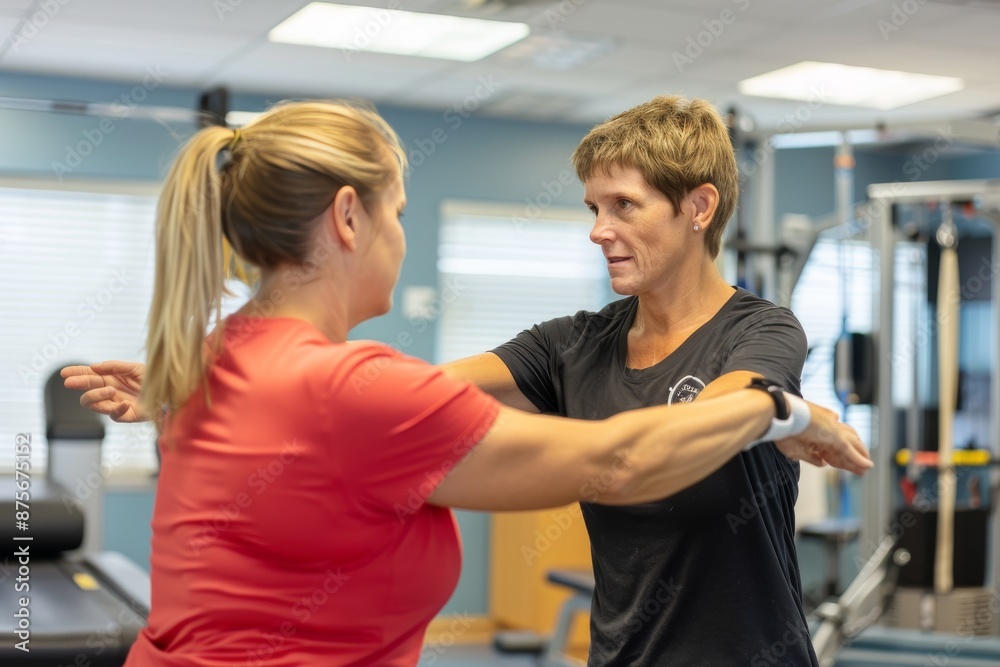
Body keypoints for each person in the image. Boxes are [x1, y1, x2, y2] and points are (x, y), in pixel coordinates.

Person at [62, 99, 870, 667]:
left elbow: (397, 402)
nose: (600, 230)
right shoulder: (568, 344)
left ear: (699, 208)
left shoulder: (228, 355)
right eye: (402, 212)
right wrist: (785, 411)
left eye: (624, 205)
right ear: (349, 218)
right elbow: (620, 460)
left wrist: (197, 382)